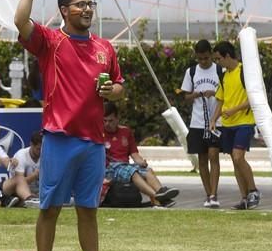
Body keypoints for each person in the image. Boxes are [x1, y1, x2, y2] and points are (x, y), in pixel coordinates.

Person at [14, 0, 124, 251]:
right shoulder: (50, 41)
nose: (87, 10)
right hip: (59, 139)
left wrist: (112, 90)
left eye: (91, 4)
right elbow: (20, 21)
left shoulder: (105, 47)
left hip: (93, 142)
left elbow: (119, 87)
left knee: (89, 209)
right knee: (50, 208)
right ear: (64, 10)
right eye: (80, 5)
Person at [210, 41, 260, 210]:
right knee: (235, 161)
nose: (217, 62)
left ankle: (253, 191)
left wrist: (234, 110)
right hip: (227, 124)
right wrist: (213, 120)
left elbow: (254, 98)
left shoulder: (245, 72)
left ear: (228, 56)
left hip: (244, 122)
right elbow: (221, 100)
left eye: (218, 59)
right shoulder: (224, 76)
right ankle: (244, 198)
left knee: (238, 157)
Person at [103, 102, 179, 208]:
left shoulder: (126, 132)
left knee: (148, 171)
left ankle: (161, 193)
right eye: (104, 121)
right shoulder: (98, 134)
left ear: (117, 119)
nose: (107, 124)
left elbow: (134, 154)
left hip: (125, 166)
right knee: (133, 172)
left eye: (110, 121)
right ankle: (159, 198)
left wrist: (141, 162)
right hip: (110, 169)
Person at [180, 39, 223, 208]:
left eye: (206, 58)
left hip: (216, 121)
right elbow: (185, 96)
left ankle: (214, 193)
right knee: (202, 158)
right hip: (197, 122)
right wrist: (196, 95)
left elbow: (226, 93)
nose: (203, 62)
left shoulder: (220, 70)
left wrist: (215, 93)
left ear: (211, 55)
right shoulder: (191, 72)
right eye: (200, 59)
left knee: (214, 155)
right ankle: (208, 194)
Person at [2, 130, 42, 208]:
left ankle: (19, 202)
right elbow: (19, 182)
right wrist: (34, 175)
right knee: (19, 179)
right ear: (31, 144)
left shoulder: (46, 155)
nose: (41, 151)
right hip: (15, 190)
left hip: (36, 193)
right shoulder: (21, 155)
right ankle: (29, 199)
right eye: (38, 149)